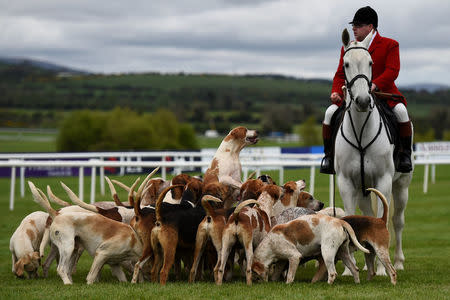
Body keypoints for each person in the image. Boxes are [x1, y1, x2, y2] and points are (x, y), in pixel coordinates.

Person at [320, 6, 412, 174]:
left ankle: (404, 155)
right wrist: (336, 92)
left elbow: (392, 70)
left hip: (383, 95)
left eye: (358, 25)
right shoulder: (347, 47)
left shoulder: (390, 44)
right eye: (353, 25)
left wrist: (374, 85)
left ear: (370, 27)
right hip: (354, 97)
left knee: (401, 111)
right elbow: (341, 73)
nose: (354, 28)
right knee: (329, 113)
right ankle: (329, 157)